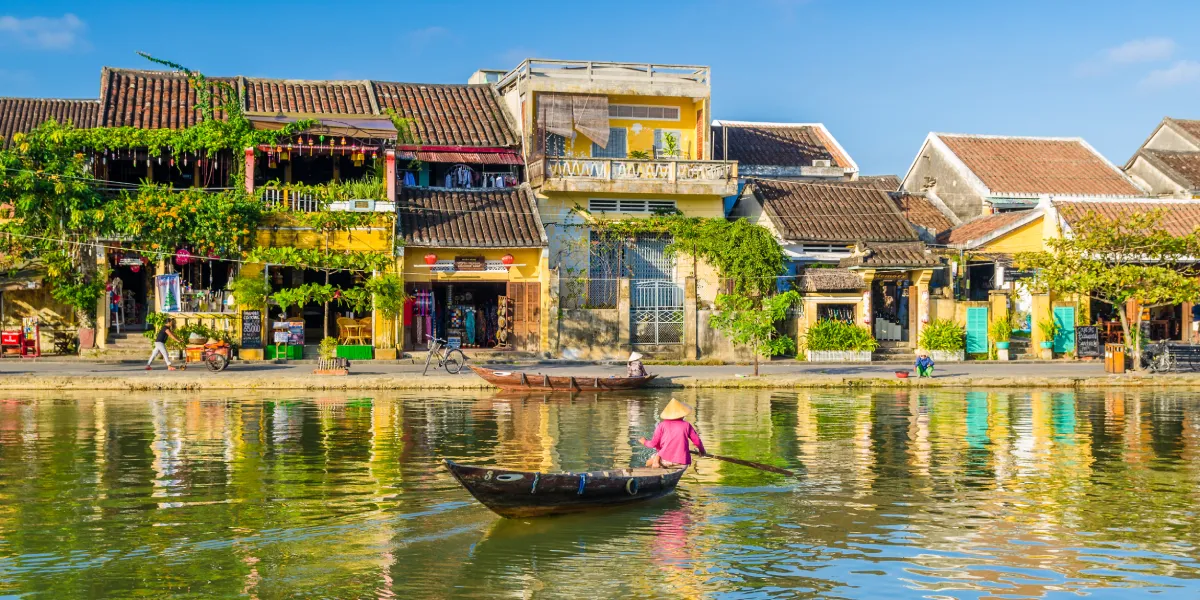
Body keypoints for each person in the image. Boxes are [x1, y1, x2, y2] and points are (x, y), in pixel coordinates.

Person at [638, 398, 706, 469]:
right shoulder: (687, 425)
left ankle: (656, 462)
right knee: (657, 456)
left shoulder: (661, 425)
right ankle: (657, 460)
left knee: (648, 462)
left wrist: (644, 441)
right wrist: (702, 451)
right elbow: (697, 441)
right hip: (682, 461)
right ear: (682, 414)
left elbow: (653, 444)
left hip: (666, 459)